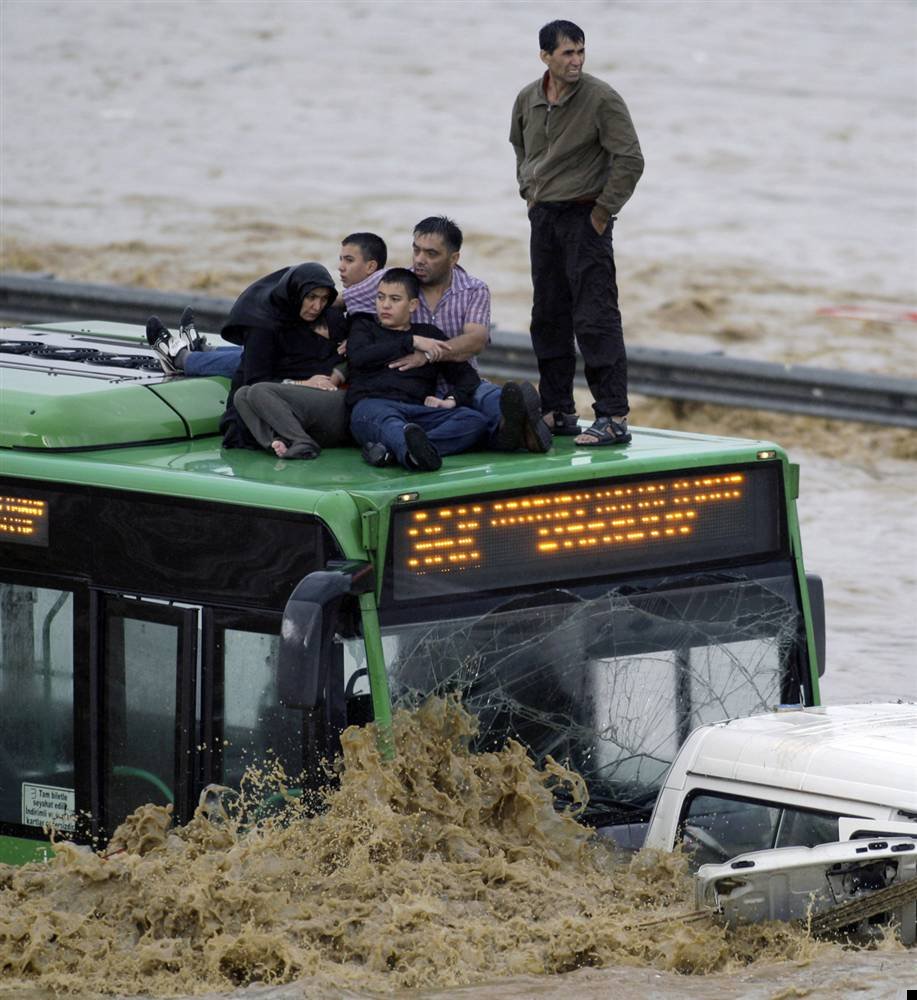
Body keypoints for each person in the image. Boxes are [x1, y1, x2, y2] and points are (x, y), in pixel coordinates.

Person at [510, 19, 644, 446]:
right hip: (544, 218)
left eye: (581, 51)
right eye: (567, 53)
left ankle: (612, 416)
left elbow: (630, 159)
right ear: (545, 56)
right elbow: (518, 144)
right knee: (547, 315)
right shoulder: (528, 98)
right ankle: (557, 410)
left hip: (586, 218)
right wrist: (527, 189)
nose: (576, 61)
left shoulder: (602, 98)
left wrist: (604, 212)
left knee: (595, 316)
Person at [347, 269, 548, 472]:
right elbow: (359, 357)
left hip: (419, 412)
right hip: (372, 407)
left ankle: (420, 450)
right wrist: (411, 341)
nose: (385, 305)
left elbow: (466, 377)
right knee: (390, 424)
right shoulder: (364, 326)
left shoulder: (430, 335)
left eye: (395, 299)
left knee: (474, 420)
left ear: (413, 305)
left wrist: (451, 399)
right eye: (380, 298)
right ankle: (411, 454)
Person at [145, 232, 387, 377]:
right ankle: (203, 351)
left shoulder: (377, 294)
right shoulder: (368, 292)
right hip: (329, 358)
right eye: (341, 259)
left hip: (335, 367)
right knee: (269, 345)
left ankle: (181, 359)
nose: (341, 267)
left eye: (349, 260)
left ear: (371, 267)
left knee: (265, 356)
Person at [213, 262, 347, 458]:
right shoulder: (263, 327)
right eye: (311, 297)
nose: (317, 306)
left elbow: (359, 355)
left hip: (319, 403)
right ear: (295, 294)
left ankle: (295, 439)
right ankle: (278, 442)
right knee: (243, 406)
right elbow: (256, 380)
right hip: (272, 394)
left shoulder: (330, 318)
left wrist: (338, 372)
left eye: (324, 299)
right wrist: (303, 383)